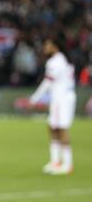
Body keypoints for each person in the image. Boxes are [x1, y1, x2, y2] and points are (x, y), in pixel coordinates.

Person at [29, 38, 76, 175]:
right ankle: (56, 161)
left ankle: (67, 164)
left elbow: (48, 82)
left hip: (62, 98)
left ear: (56, 46)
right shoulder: (64, 59)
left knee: (61, 128)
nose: (45, 47)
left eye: (48, 44)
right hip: (61, 97)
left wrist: (34, 98)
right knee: (52, 127)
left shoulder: (55, 61)